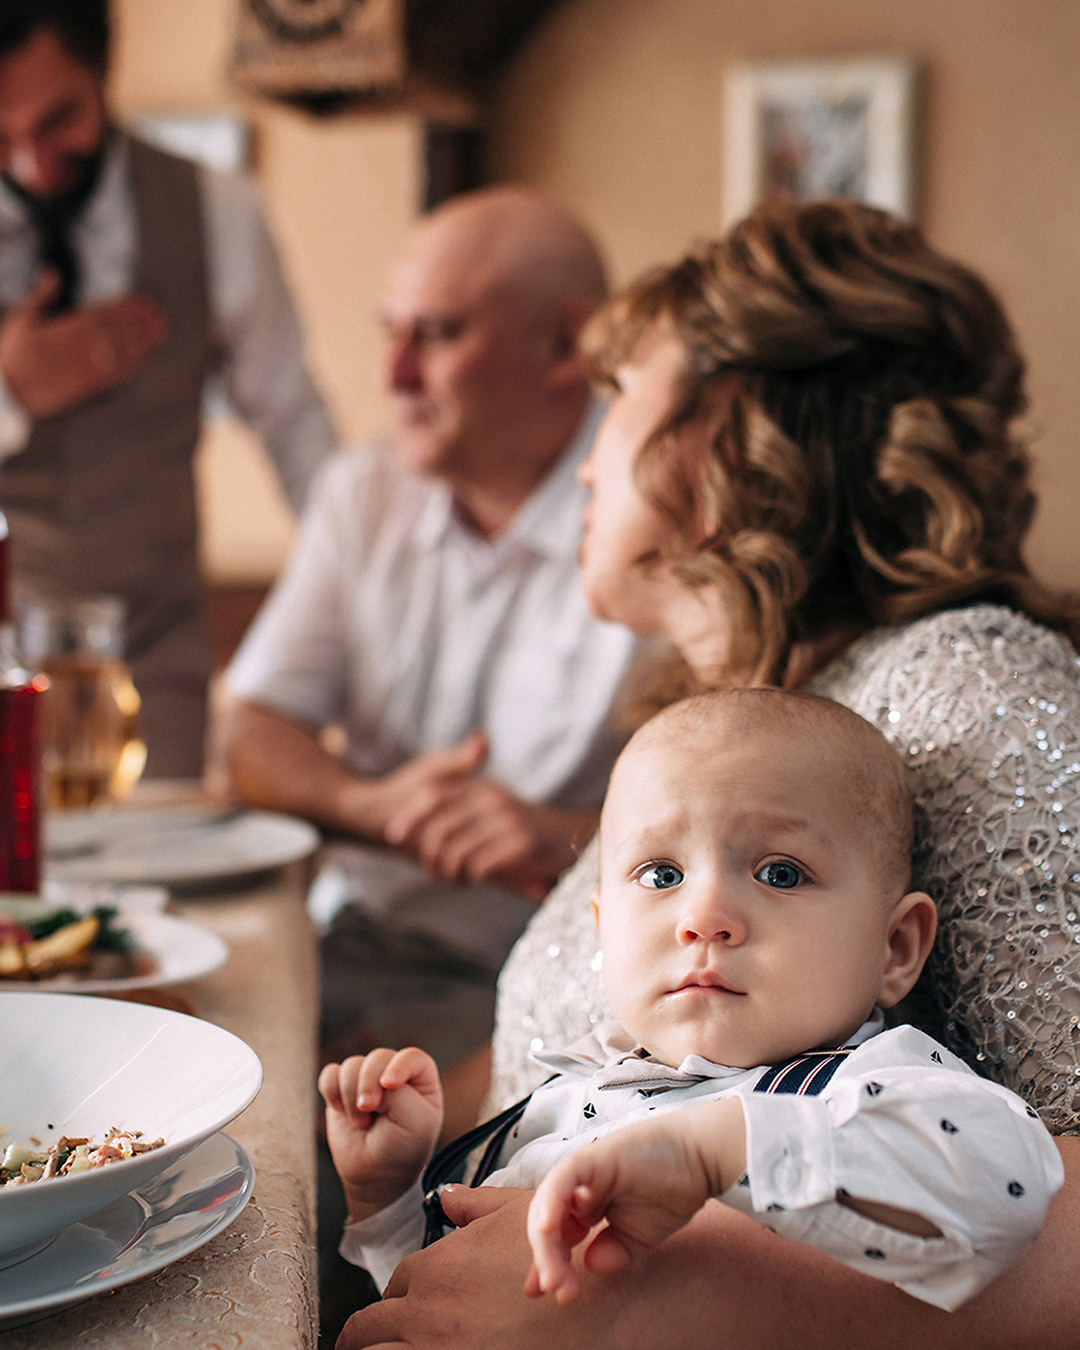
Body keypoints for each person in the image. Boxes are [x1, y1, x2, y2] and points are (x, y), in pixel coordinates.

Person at [339, 199, 1080, 1348]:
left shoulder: (963, 687)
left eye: (619, 396)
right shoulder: (720, 733)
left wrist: (680, 1302)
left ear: (730, 428)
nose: (586, 459)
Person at [320, 688, 1062, 1313]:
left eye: (779, 873)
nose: (704, 916)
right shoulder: (567, 1095)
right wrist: (387, 1201)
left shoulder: (869, 1087)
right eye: (661, 875)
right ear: (604, 930)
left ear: (894, 948)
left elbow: (1007, 1181)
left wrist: (716, 1150)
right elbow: (443, 1301)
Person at [221, 185, 643, 1071]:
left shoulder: (662, 508)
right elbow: (251, 731)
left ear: (566, 345)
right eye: (392, 333)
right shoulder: (364, 491)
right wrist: (372, 807)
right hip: (354, 944)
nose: (393, 375)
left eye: (438, 334)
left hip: (569, 989)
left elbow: (747, 809)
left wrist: (568, 838)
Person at [0, 0, 336, 777]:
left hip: (152, 668)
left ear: (104, 69)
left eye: (58, 121)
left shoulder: (218, 210)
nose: (32, 166)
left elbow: (293, 422)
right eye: (0, 137)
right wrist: (11, 389)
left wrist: (366, 589)